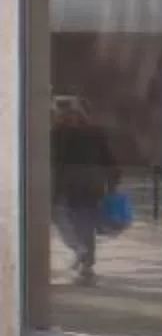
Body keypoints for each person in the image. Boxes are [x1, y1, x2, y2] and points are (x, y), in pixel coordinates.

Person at [50, 94, 117, 286]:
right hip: (93, 184)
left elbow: (55, 162)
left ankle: (81, 253)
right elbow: (109, 160)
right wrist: (112, 185)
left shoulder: (58, 133)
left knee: (70, 219)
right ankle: (87, 263)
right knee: (86, 222)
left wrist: (53, 191)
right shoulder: (95, 131)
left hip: (70, 184)